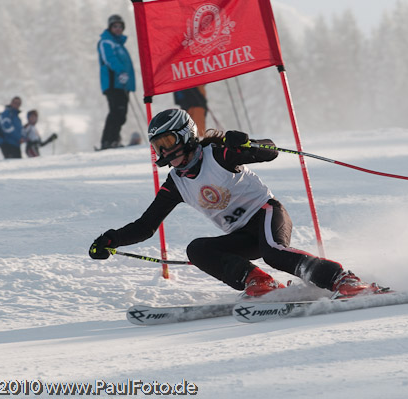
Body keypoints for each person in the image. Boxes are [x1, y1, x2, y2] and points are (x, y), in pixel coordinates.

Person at [89, 109, 383, 299]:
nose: (164, 151)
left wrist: (246, 144)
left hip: (267, 214)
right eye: (158, 146)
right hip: (242, 235)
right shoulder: (175, 183)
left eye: (167, 141)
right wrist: (111, 240)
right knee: (198, 249)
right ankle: (259, 282)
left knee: (274, 252)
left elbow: (270, 152)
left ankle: (342, 279)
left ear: (185, 135)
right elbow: (145, 227)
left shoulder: (217, 154)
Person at [97, 14, 136, 150]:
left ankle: (114, 139)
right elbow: (109, 59)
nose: (118, 29)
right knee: (116, 112)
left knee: (121, 114)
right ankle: (108, 141)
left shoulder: (118, 43)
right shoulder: (106, 42)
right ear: (110, 27)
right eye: (115, 26)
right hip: (113, 83)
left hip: (122, 83)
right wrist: (121, 72)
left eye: (120, 26)